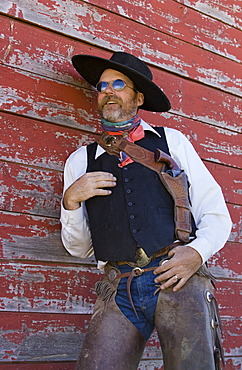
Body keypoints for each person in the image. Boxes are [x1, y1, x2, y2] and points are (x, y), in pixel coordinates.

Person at [60, 51, 232, 369]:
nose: (108, 90)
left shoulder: (173, 144)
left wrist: (196, 253)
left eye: (118, 84)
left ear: (138, 97)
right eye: (102, 86)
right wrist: (71, 201)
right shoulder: (79, 162)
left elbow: (216, 213)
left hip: (177, 278)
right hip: (119, 285)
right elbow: (80, 248)